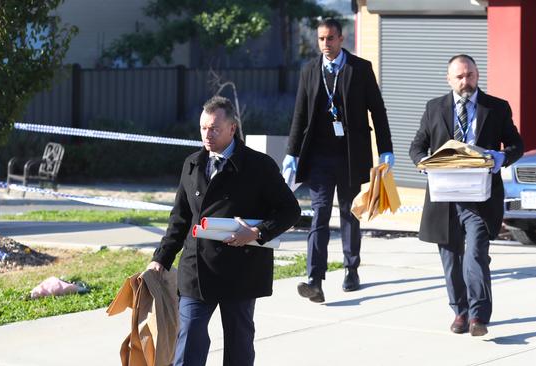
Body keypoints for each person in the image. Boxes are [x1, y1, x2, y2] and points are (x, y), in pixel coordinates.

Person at [146, 96, 301, 365]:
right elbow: (180, 218)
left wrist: (257, 232)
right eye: (204, 128)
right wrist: (161, 259)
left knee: (239, 347)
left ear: (232, 128)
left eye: (215, 128)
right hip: (196, 269)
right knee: (189, 338)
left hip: (241, 271)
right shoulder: (192, 164)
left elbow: (290, 210)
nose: (207, 135)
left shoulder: (259, 166)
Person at [409, 54, 524, 336]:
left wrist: (500, 157)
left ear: (477, 75)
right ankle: (459, 312)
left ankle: (478, 318)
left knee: (475, 255)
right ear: (448, 79)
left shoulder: (495, 107)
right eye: (459, 76)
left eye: (470, 75)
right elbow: (417, 147)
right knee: (451, 261)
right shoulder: (434, 107)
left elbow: (516, 145)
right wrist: (425, 164)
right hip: (444, 199)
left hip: (480, 198)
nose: (465, 81)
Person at [283, 18, 394, 302]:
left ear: (342, 39)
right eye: (321, 39)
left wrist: (385, 149)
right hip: (319, 157)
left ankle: (351, 268)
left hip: (349, 156)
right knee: (319, 215)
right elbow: (299, 114)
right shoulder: (310, 70)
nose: (325, 44)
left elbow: (377, 111)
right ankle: (314, 279)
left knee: (349, 213)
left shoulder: (360, 69)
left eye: (330, 38)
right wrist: (291, 153)